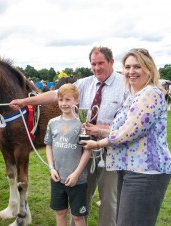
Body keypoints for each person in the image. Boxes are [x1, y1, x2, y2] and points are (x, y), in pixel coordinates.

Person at [10, 46, 128, 226]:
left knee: (108, 200)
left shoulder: (125, 85)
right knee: (81, 194)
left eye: (101, 63)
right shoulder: (84, 83)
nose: (96, 68)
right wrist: (25, 101)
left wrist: (103, 128)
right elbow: (55, 94)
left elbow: (129, 122)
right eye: (93, 64)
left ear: (111, 62)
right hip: (81, 147)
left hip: (110, 148)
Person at [82, 48, 171, 226]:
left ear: (149, 68)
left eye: (137, 67)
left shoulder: (150, 94)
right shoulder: (135, 95)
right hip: (131, 169)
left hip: (146, 172)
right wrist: (100, 131)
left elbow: (127, 133)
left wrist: (97, 143)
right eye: (128, 67)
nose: (131, 72)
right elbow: (126, 128)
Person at [44, 83, 91, 226]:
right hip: (57, 178)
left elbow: (87, 150)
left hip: (76, 180)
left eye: (68, 100)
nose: (64, 103)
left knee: (77, 217)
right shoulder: (53, 123)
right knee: (60, 212)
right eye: (61, 100)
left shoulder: (82, 124)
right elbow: (49, 146)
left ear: (76, 100)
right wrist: (51, 168)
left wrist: (76, 174)